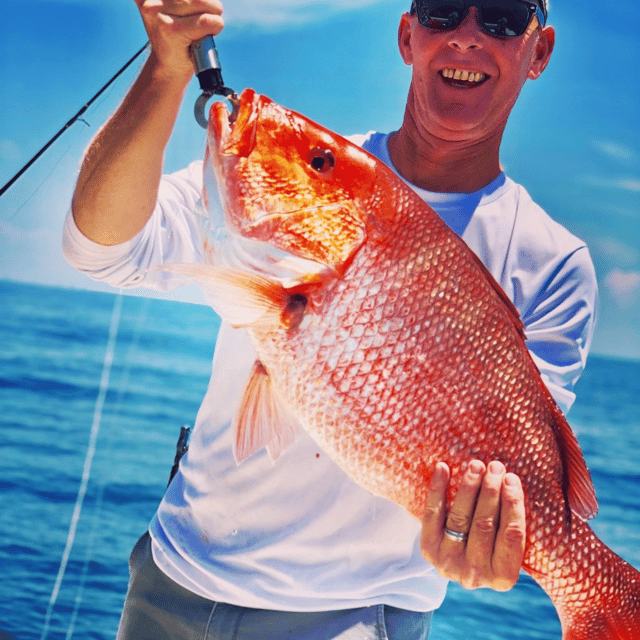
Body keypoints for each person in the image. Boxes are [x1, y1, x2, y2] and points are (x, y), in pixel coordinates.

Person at [63, 0, 598, 638]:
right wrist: (166, 72)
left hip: (354, 619)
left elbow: (520, 473)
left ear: (539, 53)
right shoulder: (277, 190)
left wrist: (490, 536)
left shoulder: (553, 263)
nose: (467, 37)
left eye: (504, 18)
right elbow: (100, 249)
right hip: (174, 580)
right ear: (408, 35)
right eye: (444, 10)